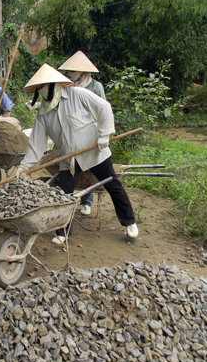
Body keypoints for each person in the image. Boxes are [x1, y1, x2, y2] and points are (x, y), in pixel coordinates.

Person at [15, 64, 138, 244]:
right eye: (37, 89)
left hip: (95, 151)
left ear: (53, 84)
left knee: (113, 185)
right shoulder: (43, 114)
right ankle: (63, 232)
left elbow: (103, 107)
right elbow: (37, 143)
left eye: (41, 87)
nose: (40, 92)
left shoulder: (77, 94)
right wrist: (25, 166)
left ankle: (130, 222)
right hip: (69, 159)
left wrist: (104, 134)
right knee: (63, 194)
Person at [58, 51, 105, 216]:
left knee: (88, 167)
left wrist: (102, 135)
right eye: (70, 72)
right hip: (72, 132)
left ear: (85, 73)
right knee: (70, 167)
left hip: (90, 132)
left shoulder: (95, 87)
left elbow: (103, 110)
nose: (72, 75)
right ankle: (66, 202)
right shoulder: (69, 86)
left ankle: (87, 202)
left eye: (75, 72)